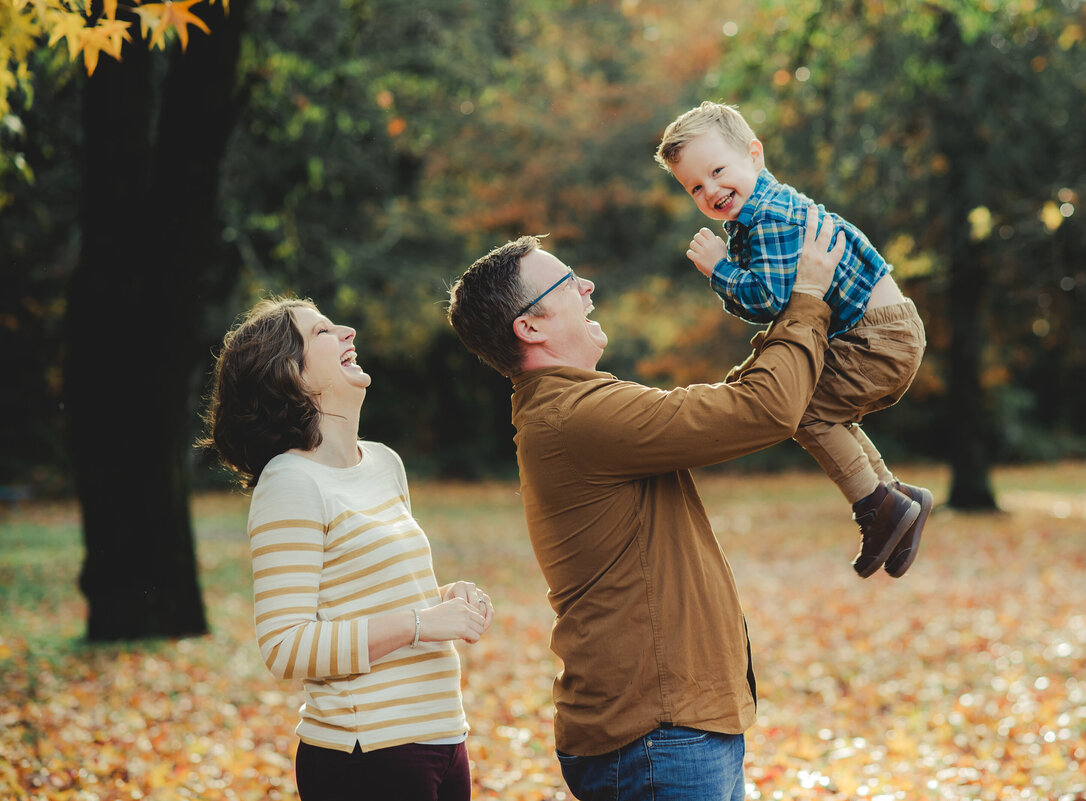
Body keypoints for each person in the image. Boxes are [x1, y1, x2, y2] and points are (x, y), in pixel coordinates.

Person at [446, 207, 843, 801]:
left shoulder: (578, 409)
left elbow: (728, 406)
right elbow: (763, 409)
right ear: (531, 326)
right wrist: (807, 298)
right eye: (568, 282)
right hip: (660, 734)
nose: (588, 287)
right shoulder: (577, 416)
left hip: (672, 729)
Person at [198, 297, 494, 801]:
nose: (347, 332)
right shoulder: (289, 482)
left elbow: (372, 599)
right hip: (368, 752)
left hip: (443, 735)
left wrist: (444, 599)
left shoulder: (384, 463)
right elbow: (285, 646)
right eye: (321, 332)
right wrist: (421, 624)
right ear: (288, 375)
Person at [654, 100, 934, 580]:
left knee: (799, 408)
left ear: (754, 156)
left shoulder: (770, 220)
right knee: (807, 405)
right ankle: (896, 499)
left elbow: (768, 299)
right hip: (881, 333)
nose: (712, 190)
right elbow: (780, 302)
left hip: (878, 338)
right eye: (696, 187)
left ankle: (879, 504)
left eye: (719, 171)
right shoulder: (759, 216)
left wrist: (719, 268)